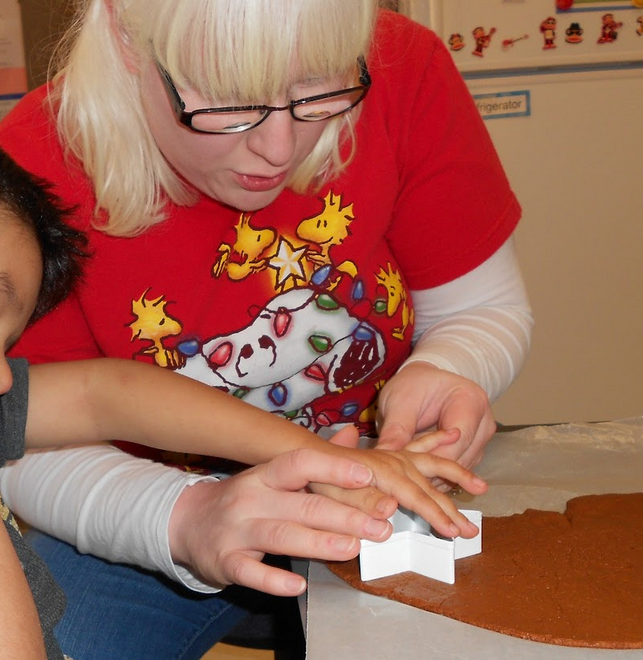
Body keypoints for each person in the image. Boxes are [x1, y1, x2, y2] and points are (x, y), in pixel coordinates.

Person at [0, 1, 533, 658]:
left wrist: (450, 368)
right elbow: (25, 434)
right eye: (225, 99)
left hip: (397, 483)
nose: (277, 148)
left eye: (319, 88)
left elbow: (481, 310)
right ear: (125, 40)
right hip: (148, 504)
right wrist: (186, 517)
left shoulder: (403, 62)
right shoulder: (31, 169)